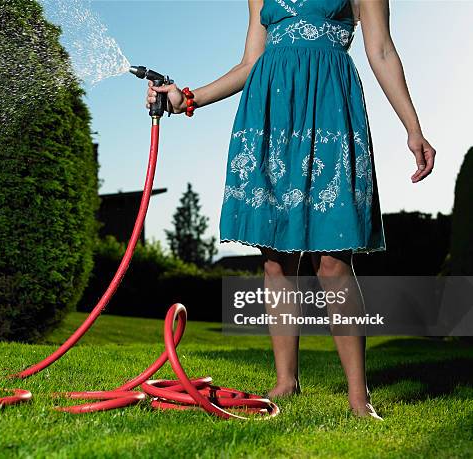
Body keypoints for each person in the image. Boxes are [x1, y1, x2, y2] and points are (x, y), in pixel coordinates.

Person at [146, 0, 436, 419]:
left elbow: (382, 50)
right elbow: (250, 63)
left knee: (334, 259)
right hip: (270, 112)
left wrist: (414, 128)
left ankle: (359, 397)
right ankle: (286, 382)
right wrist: (187, 98)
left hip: (331, 107)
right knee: (276, 261)